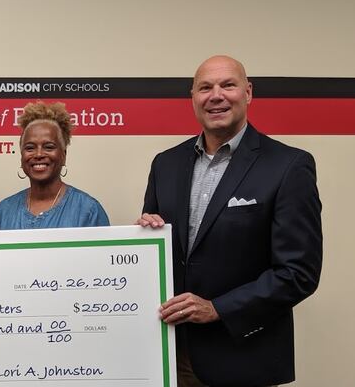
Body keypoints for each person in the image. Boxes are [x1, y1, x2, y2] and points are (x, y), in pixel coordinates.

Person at [137, 56, 322, 387]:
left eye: (228, 85)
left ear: (248, 93)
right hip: (171, 358)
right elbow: (160, 255)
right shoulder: (165, 164)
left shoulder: (288, 165)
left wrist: (217, 308)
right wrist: (146, 236)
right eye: (205, 87)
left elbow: (298, 273)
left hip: (245, 358)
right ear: (193, 97)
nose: (216, 95)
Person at [0, 101, 109, 229]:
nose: (39, 154)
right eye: (30, 148)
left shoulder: (88, 211)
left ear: (63, 155)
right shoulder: (3, 212)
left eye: (49, 147)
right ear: (21, 156)